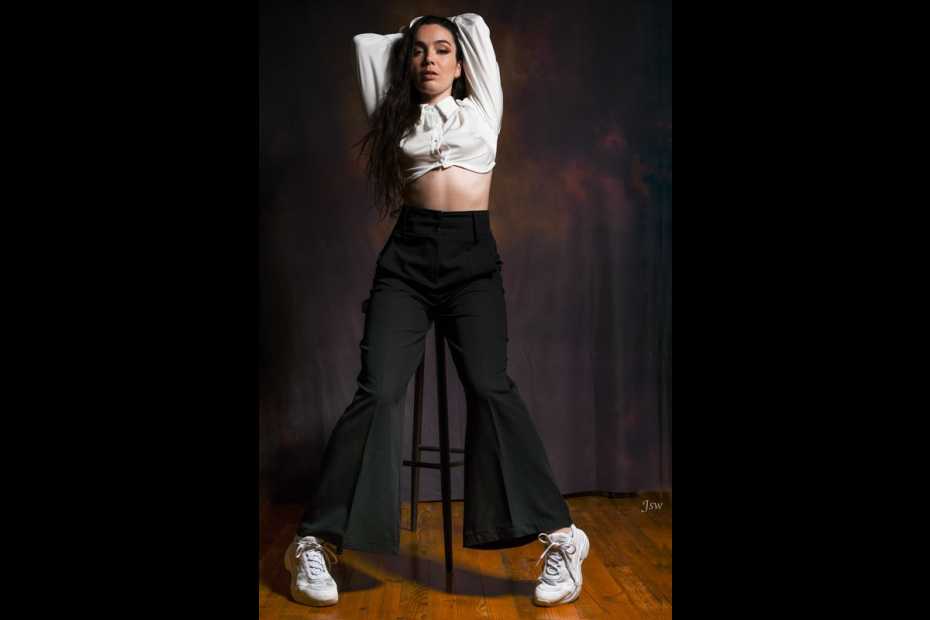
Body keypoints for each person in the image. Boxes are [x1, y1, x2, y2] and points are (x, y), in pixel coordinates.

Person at [284, 13, 591, 608]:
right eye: (419, 50)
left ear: (462, 62)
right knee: (377, 390)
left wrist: (440, 33)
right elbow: (367, 45)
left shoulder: (483, 108)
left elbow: (473, 25)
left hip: (472, 262)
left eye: (442, 49)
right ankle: (315, 542)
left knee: (490, 386)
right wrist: (413, 40)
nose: (429, 58)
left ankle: (560, 536)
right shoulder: (395, 116)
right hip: (407, 260)